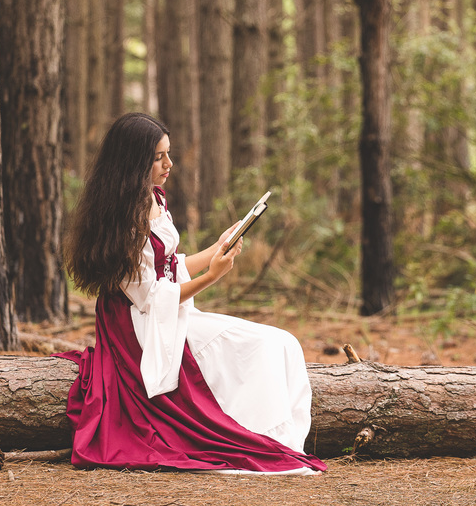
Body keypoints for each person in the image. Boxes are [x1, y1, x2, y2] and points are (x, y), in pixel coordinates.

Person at [60, 112, 326, 474]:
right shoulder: (124, 218)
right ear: (133, 162)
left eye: (168, 153)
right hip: (138, 328)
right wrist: (212, 277)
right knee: (267, 345)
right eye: (157, 157)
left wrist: (217, 248)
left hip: (167, 312)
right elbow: (150, 298)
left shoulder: (153, 198)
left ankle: (278, 437)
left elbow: (167, 264)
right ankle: (259, 435)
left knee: (283, 343)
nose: (169, 163)